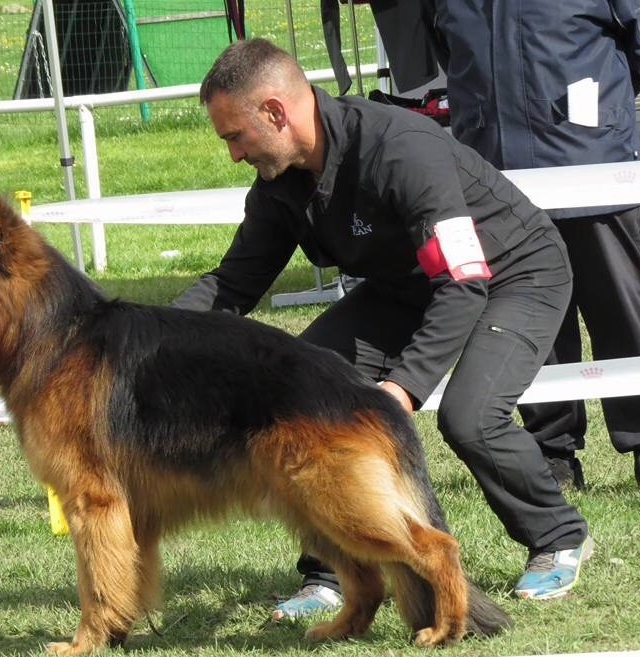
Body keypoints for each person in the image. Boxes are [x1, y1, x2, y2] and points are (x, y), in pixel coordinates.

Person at [173, 38, 593, 618]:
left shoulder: (400, 149)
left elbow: (463, 281)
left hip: (514, 274)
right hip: (407, 288)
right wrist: (150, 336)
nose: (235, 156)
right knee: (300, 398)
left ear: (275, 112)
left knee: (469, 417)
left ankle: (558, 537)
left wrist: (402, 387)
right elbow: (233, 285)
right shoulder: (280, 186)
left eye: (235, 137)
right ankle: (333, 574)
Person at [426, 0, 640, 496]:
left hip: (590, 161)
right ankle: (552, 448)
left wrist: (598, 113)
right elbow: (451, 51)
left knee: (621, 309)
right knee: (531, 316)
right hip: (498, 175)